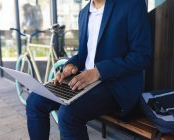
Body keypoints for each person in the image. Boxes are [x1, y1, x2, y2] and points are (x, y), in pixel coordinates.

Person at [26, 0, 152, 139]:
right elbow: (84, 54)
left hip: (115, 85)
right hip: (83, 79)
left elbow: (142, 56)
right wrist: (70, 65)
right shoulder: (84, 12)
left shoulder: (132, 4)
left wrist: (98, 72)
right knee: (34, 102)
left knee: (68, 115)